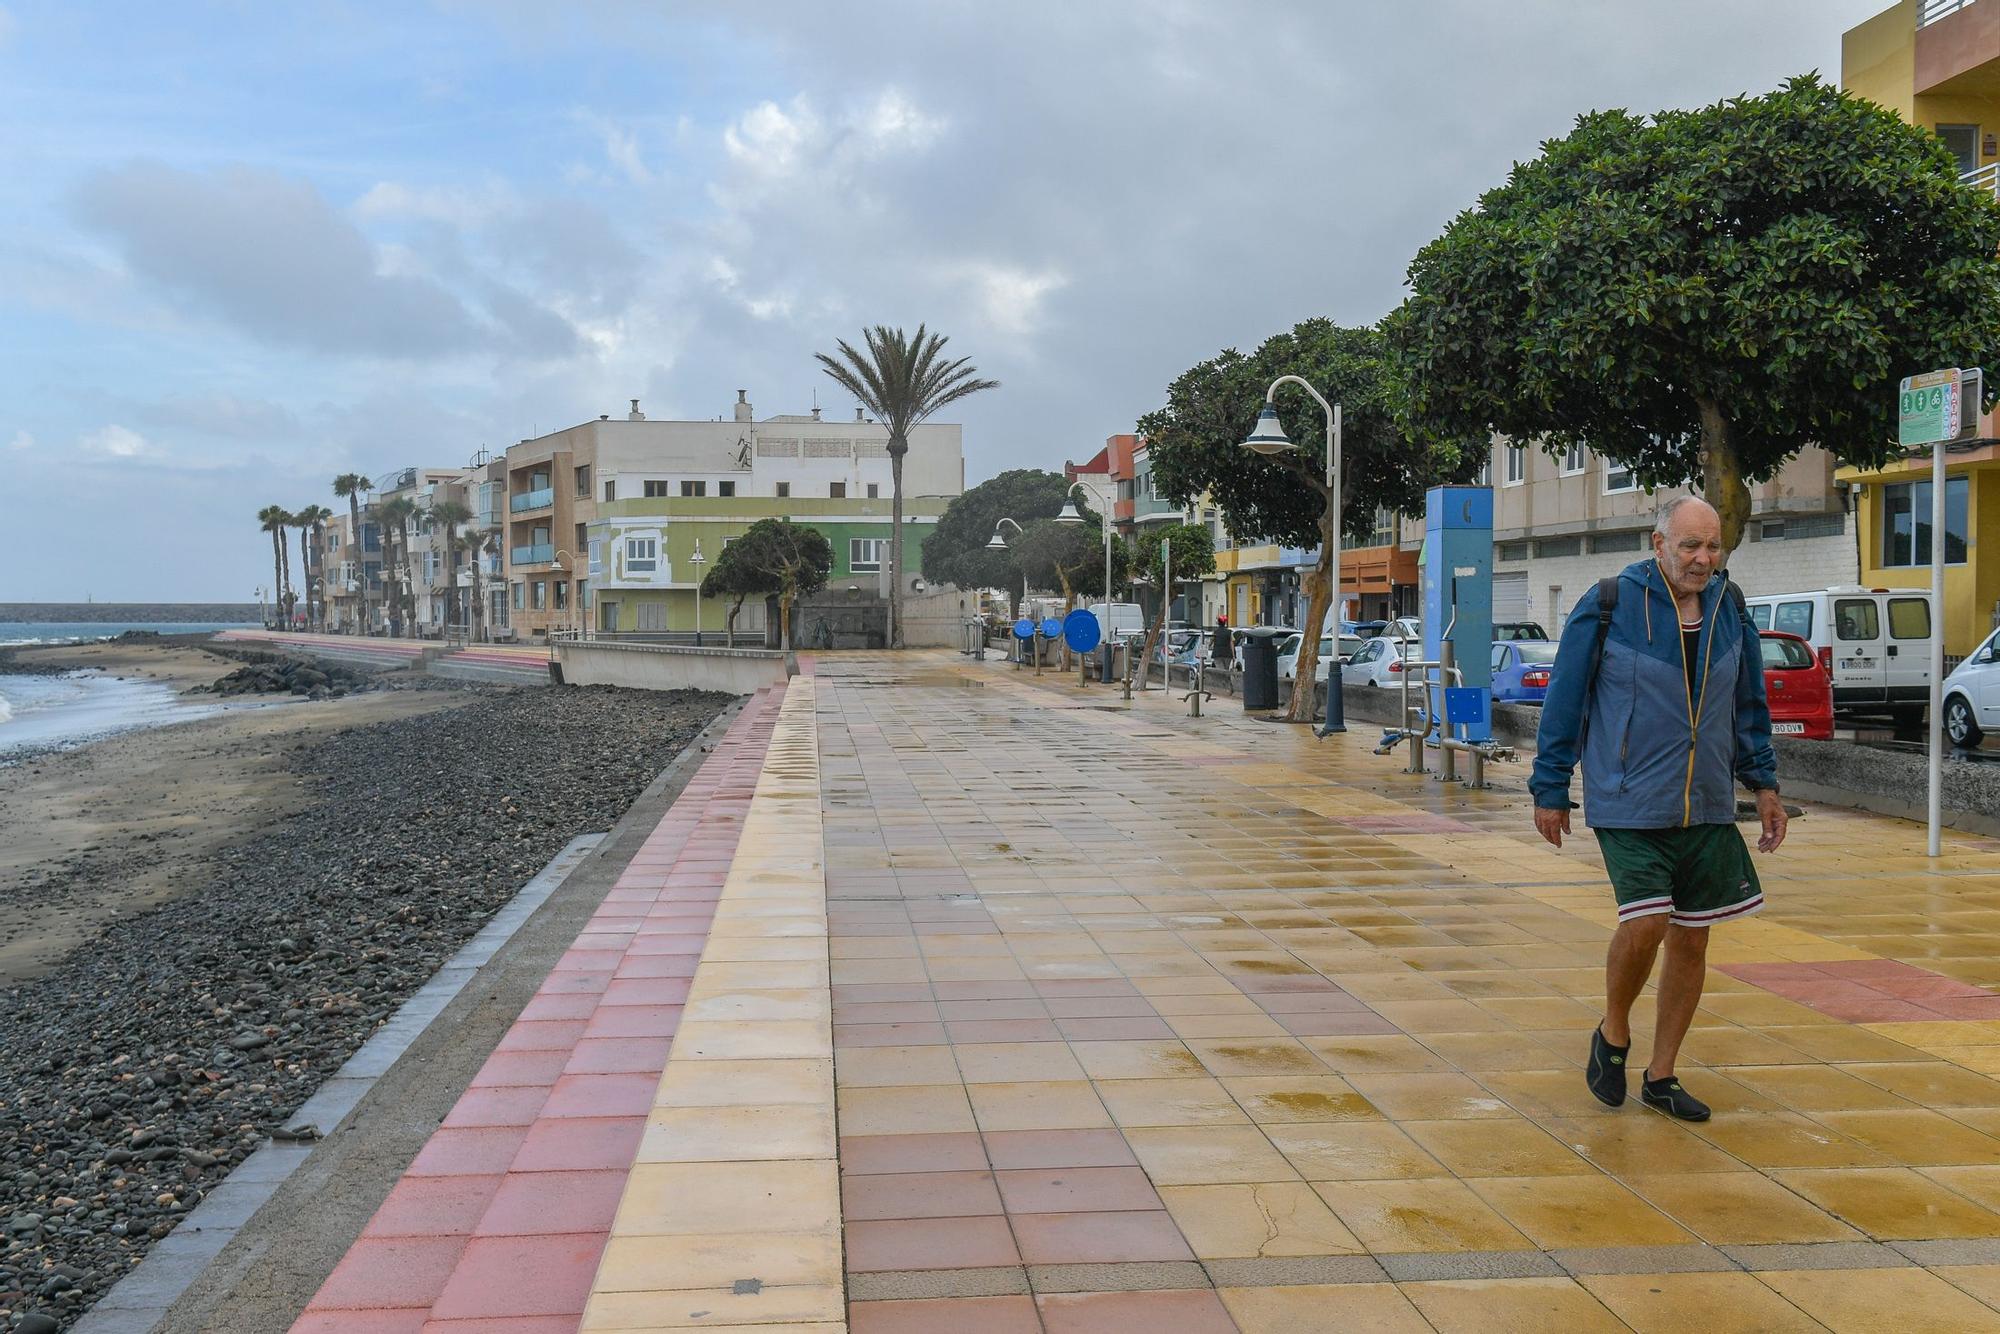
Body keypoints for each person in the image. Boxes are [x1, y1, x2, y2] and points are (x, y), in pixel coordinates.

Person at [1529, 496, 1786, 1122]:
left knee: (1692, 938)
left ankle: (1662, 1073)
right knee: (1646, 922)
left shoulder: (1731, 606)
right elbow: (1566, 696)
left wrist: (1765, 784)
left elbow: (1749, 703)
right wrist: (1551, 786)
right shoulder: (1611, 602)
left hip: (1706, 804)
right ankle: (1613, 1032)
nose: (1702, 559)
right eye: (1689, 546)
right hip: (1628, 796)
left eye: (1712, 547)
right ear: (1658, 542)